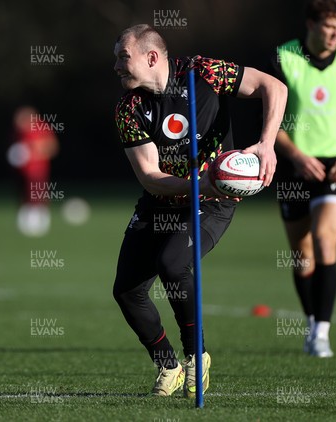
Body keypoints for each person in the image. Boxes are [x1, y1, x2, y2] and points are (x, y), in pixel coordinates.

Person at [113, 24, 287, 396]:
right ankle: (168, 365)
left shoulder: (202, 72)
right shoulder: (129, 108)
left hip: (213, 201)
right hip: (164, 198)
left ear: (152, 57)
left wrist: (267, 144)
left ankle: (197, 357)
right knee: (127, 291)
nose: (116, 66)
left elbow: (274, 87)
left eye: (123, 58)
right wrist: (197, 183)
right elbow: (149, 176)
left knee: (173, 264)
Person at [271, 0, 336, 357]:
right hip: (293, 166)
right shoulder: (283, 58)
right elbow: (266, 120)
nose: (334, 34)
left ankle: (322, 334)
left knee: (325, 239)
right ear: (311, 24)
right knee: (303, 256)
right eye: (329, 26)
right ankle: (312, 320)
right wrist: (297, 156)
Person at [8, 106, 59, 237]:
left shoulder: (40, 128)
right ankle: (25, 223)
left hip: (37, 170)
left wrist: (33, 151)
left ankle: (40, 223)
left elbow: (52, 147)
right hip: (21, 172)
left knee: (37, 197)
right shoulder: (19, 132)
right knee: (23, 197)